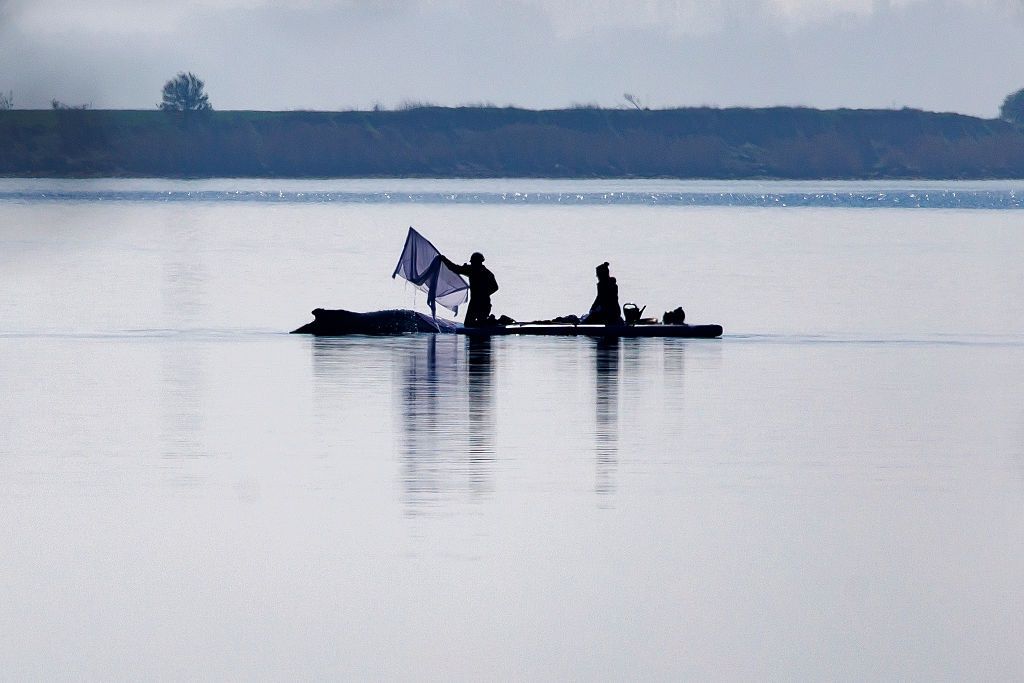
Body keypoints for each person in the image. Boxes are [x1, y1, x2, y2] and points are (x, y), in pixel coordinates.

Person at [440, 251, 499, 327]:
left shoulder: (475, 271)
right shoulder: (485, 272)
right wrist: (485, 294)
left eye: (474, 262)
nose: (472, 264)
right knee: (472, 323)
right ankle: (489, 321)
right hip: (481, 302)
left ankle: (491, 320)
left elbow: (455, 268)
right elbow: (495, 287)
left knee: (472, 324)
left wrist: (444, 259)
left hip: (479, 303)